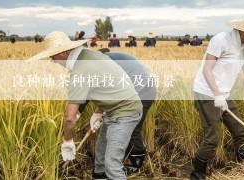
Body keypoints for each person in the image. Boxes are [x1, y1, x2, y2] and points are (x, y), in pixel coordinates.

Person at [28, 31, 143, 180]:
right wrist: (98, 112)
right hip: (114, 111)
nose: (52, 60)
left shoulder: (80, 70)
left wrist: (67, 142)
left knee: (112, 165)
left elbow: (70, 117)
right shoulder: (92, 55)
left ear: (64, 53)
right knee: (100, 157)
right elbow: (108, 85)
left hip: (125, 114)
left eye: (53, 56)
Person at [191, 12, 244, 179]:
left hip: (223, 95)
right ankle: (197, 175)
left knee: (240, 132)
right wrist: (217, 95)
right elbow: (206, 70)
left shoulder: (243, 48)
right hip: (207, 93)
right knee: (212, 138)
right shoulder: (221, 40)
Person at [79, 51, 157, 175]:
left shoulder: (103, 64)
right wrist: (98, 112)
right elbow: (107, 91)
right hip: (142, 87)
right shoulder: (109, 60)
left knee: (132, 127)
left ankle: (136, 165)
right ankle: (115, 162)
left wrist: (76, 113)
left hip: (142, 91)